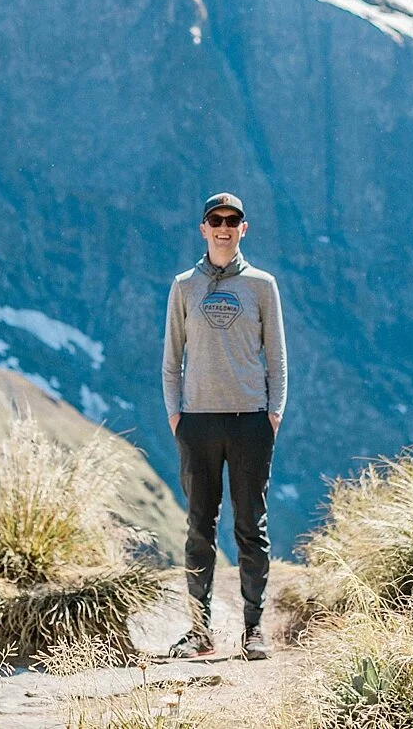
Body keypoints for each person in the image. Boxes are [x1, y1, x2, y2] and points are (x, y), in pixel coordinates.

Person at [161, 191, 287, 661]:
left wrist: (273, 413)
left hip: (252, 420)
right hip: (197, 422)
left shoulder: (261, 285)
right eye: (215, 219)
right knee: (199, 527)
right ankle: (199, 630)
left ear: (243, 229)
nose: (223, 227)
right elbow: (171, 359)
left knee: (251, 526)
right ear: (203, 228)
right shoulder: (183, 286)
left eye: (232, 220)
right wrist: (177, 415)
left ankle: (253, 630)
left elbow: (276, 356)